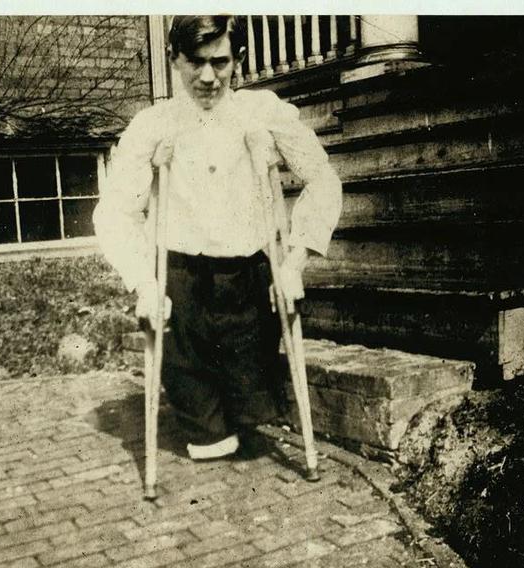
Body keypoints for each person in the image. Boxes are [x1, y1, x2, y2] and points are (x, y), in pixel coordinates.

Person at [93, 15, 342, 460]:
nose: (208, 77)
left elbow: (323, 179)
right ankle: (203, 414)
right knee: (207, 442)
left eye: (220, 62)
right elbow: (113, 212)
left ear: (238, 60)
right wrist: (143, 284)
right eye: (195, 62)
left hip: (246, 281)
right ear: (174, 59)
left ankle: (241, 405)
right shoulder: (152, 124)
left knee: (250, 420)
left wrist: (293, 264)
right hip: (181, 283)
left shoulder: (262, 113)